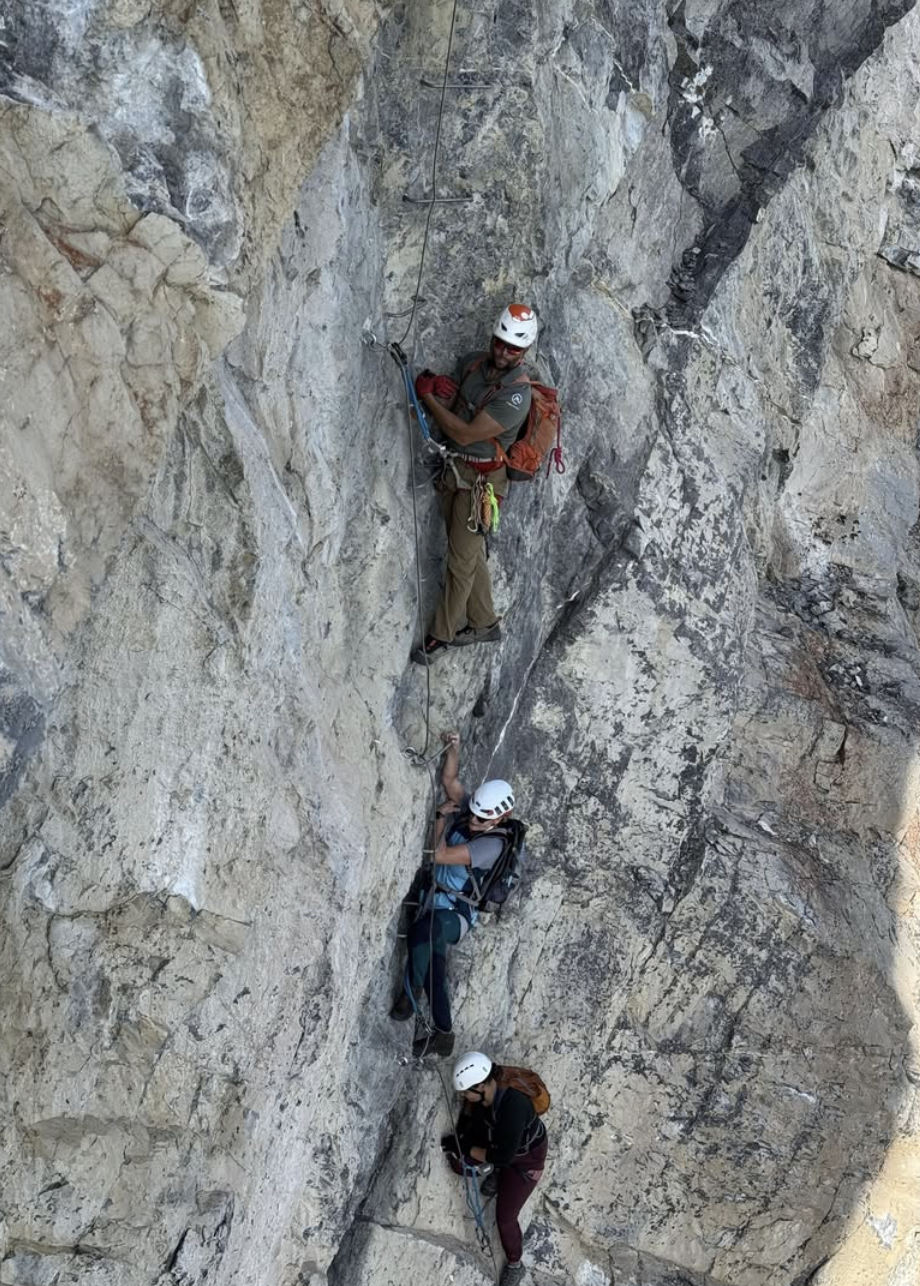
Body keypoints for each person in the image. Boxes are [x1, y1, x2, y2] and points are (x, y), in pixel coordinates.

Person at [410, 303, 539, 665]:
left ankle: (441, 635)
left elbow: (464, 434)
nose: (502, 352)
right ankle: (483, 621)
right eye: (499, 343)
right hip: (457, 471)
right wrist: (442, 389)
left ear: (524, 351)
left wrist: (428, 397)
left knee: (461, 560)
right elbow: (460, 406)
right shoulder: (472, 363)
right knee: (468, 551)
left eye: (512, 348)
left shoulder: (517, 396)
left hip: (483, 482)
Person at [391, 731, 516, 1058]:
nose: (473, 820)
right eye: (472, 813)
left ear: (501, 818)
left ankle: (413, 994)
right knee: (431, 954)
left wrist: (439, 818)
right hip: (435, 899)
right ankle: (441, 1032)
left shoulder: (491, 844)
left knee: (426, 932)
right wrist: (454, 748)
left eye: (481, 817)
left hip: (457, 913)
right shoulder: (477, 812)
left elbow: (439, 855)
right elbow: (449, 780)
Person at [442, 1051, 549, 1286]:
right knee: (461, 1166)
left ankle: (515, 1264)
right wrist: (460, 1146)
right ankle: (499, 1177)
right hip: (502, 1145)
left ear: (480, 1086)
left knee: (505, 1217)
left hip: (526, 1160)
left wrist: (469, 1149)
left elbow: (501, 1156)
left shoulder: (514, 1106)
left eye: (465, 1092)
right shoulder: (481, 1097)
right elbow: (470, 1126)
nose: (463, 1097)